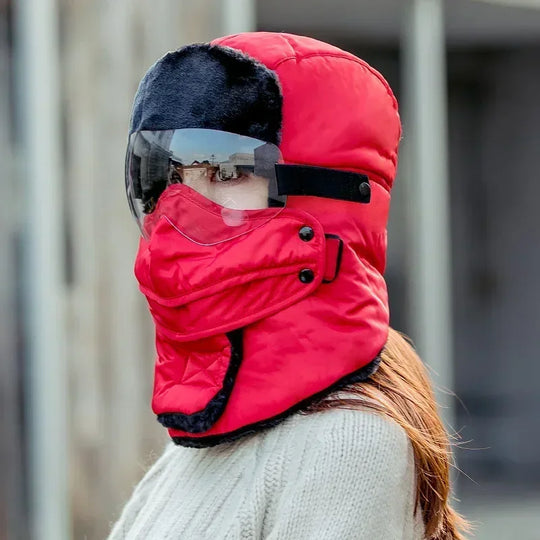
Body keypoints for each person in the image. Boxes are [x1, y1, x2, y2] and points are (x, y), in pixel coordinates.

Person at [110, 32, 469, 539]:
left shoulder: (347, 442)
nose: (179, 213)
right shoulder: (210, 433)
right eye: (166, 176)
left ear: (327, 196)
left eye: (227, 170)